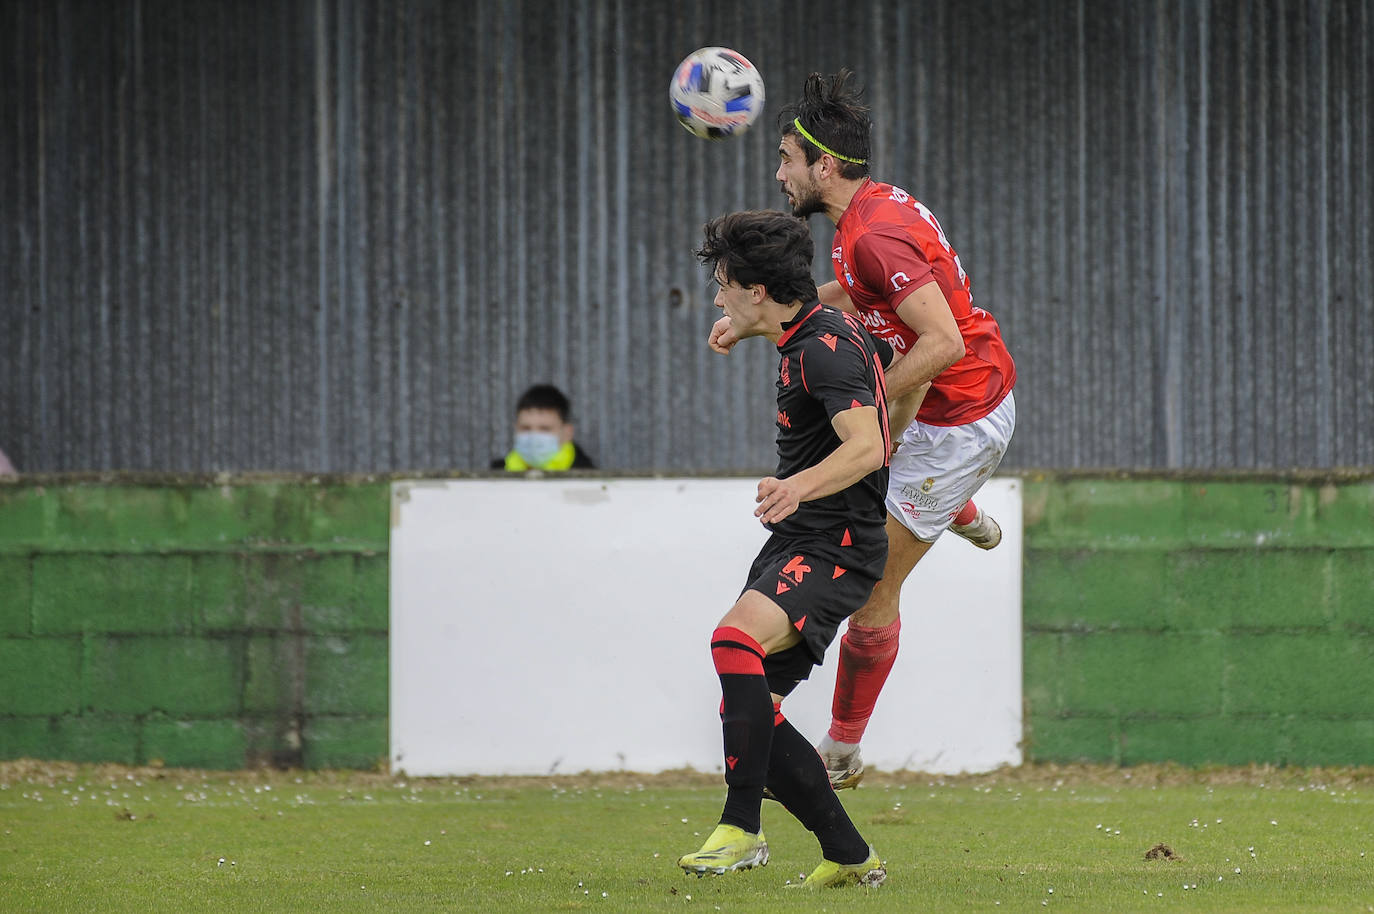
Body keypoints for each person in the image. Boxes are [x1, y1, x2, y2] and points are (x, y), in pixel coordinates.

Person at [708, 70, 1017, 790]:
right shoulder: (864, 221)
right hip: (934, 411)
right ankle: (958, 509)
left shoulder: (874, 233)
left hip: (960, 421)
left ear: (824, 164)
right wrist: (764, 311)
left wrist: (873, 401)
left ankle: (842, 748)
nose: (779, 174)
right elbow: (855, 287)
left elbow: (940, 344)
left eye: (786, 159)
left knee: (871, 590)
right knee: (851, 455)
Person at [677, 210, 892, 889]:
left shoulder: (820, 348)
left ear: (757, 290)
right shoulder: (813, 333)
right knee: (752, 713)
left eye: (723, 286)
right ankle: (851, 857)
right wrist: (744, 328)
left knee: (732, 643)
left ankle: (741, 828)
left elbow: (868, 444)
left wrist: (799, 485)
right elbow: (880, 367)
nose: (717, 298)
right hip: (805, 537)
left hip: (838, 544)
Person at [490, 384, 596, 471]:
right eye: (526, 428)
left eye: (545, 429)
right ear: (516, 429)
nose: (533, 437)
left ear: (568, 432)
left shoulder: (589, 479)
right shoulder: (494, 476)